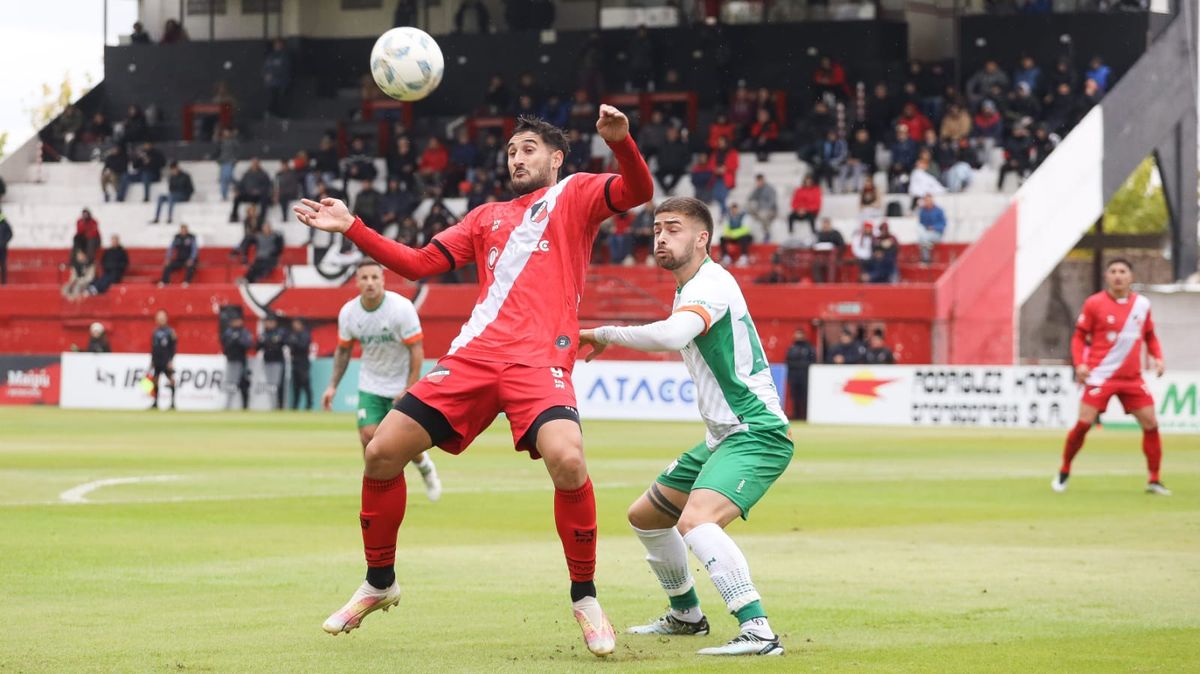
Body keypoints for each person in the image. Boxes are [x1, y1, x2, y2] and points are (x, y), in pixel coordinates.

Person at [293, 105, 653, 655]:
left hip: (538, 361)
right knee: (381, 452)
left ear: (556, 159)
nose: (516, 157)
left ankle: (585, 598)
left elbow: (637, 192)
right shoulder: (485, 217)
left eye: (528, 148)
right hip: (474, 357)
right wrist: (353, 227)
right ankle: (379, 583)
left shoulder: (576, 193)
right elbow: (416, 265)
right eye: (511, 151)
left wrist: (622, 143)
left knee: (570, 459)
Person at [578, 196, 792, 657]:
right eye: (656, 229)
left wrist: (606, 332)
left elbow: (672, 336)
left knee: (696, 521)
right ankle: (687, 615)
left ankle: (758, 631)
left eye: (672, 229)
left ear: (702, 238)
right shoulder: (688, 287)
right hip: (723, 436)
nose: (660, 237)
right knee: (647, 516)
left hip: (756, 431)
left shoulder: (711, 283)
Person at [327, 260, 442, 500]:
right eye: (364, 278)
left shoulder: (400, 308)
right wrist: (333, 386)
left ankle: (425, 467)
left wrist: (410, 387)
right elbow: (344, 351)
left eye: (374, 278)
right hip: (371, 384)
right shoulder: (349, 313)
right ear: (357, 282)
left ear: (383, 280)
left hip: (400, 385)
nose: (370, 283)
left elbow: (416, 350)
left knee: (400, 442)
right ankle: (377, 490)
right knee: (369, 437)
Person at [1054, 259, 1169, 496]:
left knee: (1151, 423)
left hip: (1131, 378)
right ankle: (1064, 470)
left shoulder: (1142, 305)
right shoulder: (1094, 303)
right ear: (1107, 276)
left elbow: (1150, 336)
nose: (1118, 276)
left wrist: (1158, 357)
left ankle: (1154, 480)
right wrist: (1081, 364)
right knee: (1084, 423)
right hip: (1100, 376)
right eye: (1113, 271)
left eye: (1123, 271)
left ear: (1131, 277)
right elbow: (1078, 337)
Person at [221, 317, 253, 410]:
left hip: (241, 361)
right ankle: (228, 406)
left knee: (244, 385)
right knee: (231, 384)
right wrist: (232, 341)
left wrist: (238, 340)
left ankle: (245, 406)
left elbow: (248, 344)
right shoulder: (228, 332)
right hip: (231, 361)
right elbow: (224, 345)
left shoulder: (244, 332)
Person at [148, 310, 177, 410]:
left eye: (162, 317)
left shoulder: (170, 332)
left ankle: (173, 403)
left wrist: (171, 360)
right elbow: (153, 348)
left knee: (171, 380)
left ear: (166, 318)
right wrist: (152, 361)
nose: (160, 319)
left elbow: (173, 348)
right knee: (155, 381)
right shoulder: (155, 332)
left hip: (166, 360)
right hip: (157, 360)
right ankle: (155, 403)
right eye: (159, 317)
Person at [258, 315, 288, 410]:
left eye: (270, 321)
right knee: (271, 386)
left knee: (276, 386)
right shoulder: (264, 333)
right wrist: (270, 341)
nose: (269, 323)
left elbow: (282, 342)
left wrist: (269, 341)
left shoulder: (280, 332)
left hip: (277, 362)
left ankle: (278, 407)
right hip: (267, 361)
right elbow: (258, 346)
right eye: (267, 321)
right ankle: (273, 406)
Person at [785, 329, 817, 420]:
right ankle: (796, 415)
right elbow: (787, 361)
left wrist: (799, 365)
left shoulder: (808, 348)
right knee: (795, 396)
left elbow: (812, 361)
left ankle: (805, 415)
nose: (798, 336)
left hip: (805, 376)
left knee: (805, 396)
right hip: (794, 376)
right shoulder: (792, 347)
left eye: (800, 334)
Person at [230, 159, 273, 223]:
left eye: (256, 164)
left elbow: (268, 186)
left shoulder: (264, 174)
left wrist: (259, 191)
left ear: (258, 164)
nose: (254, 165)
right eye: (253, 163)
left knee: (265, 198)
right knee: (237, 197)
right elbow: (241, 184)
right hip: (248, 194)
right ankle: (234, 216)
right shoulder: (247, 174)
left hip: (259, 195)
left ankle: (262, 217)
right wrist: (237, 190)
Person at [286, 318, 313, 410]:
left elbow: (303, 346)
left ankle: (309, 404)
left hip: (303, 363)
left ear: (301, 324)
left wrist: (295, 342)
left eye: (297, 323)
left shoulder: (305, 334)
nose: (294, 325)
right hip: (295, 362)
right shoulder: (293, 334)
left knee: (306, 384)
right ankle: (295, 405)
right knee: (296, 386)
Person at [263, 39, 292, 118]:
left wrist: (273, 74)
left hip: (281, 81)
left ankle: (273, 112)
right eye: (276, 44)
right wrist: (266, 75)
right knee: (273, 97)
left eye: (279, 44)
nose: (278, 46)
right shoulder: (271, 56)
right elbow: (265, 68)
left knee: (277, 98)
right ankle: (272, 112)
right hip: (271, 82)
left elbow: (284, 69)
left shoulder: (285, 56)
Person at [745, 175, 777, 240]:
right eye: (757, 181)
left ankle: (767, 233)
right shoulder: (757, 189)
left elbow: (772, 202)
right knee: (747, 207)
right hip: (759, 210)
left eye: (760, 181)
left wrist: (763, 209)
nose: (758, 183)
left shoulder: (770, 189)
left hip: (770, 210)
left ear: (763, 180)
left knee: (763, 214)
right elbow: (750, 198)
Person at [917, 194, 947, 264]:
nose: (928, 202)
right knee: (922, 236)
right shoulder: (923, 211)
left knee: (924, 238)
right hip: (926, 233)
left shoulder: (939, 210)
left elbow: (943, 224)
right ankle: (926, 255)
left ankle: (926, 258)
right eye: (926, 200)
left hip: (937, 233)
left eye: (929, 200)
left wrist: (933, 227)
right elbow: (921, 223)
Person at [0, 210, 12, 285]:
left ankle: (4, 282)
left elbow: (10, 234)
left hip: (2, 248)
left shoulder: (4, 223)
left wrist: (4, 241)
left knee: (3, 264)